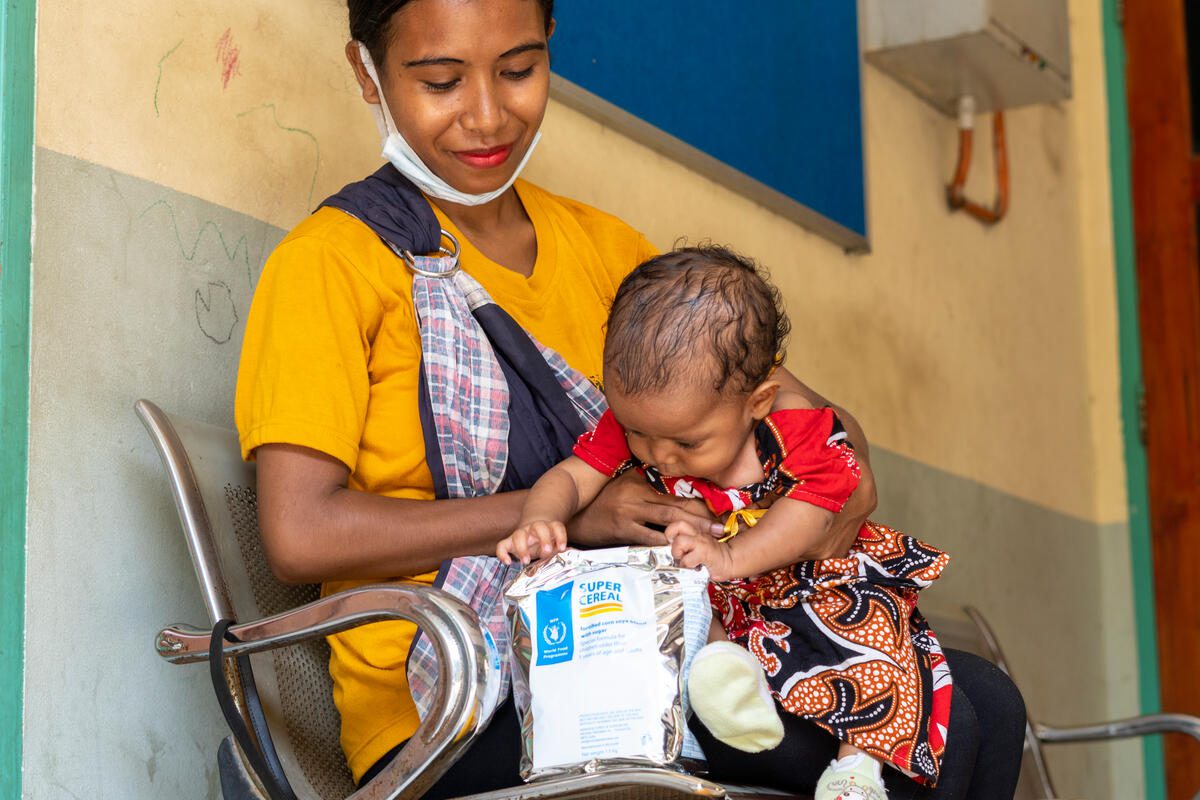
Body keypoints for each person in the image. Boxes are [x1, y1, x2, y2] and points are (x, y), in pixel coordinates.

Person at [234, 1, 1026, 798]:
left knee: (983, 698)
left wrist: (832, 461)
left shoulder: (611, 254)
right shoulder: (330, 263)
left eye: (518, 70)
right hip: (462, 708)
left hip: (653, 646)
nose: (485, 115)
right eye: (441, 81)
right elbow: (299, 534)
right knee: (929, 742)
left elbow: (798, 417)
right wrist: (575, 518)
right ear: (366, 73)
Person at [497, 247, 954, 800]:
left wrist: (733, 557)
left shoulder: (796, 429)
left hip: (814, 583)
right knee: (677, 602)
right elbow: (570, 476)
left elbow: (819, 505)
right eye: (640, 435)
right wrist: (541, 518)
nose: (658, 456)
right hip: (718, 592)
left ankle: (855, 766)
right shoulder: (649, 421)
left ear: (756, 401)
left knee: (876, 640)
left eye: (687, 443)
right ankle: (729, 681)